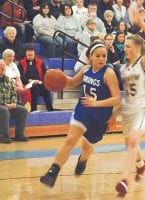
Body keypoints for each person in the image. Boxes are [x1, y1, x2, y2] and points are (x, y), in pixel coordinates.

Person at [40, 42, 121, 187]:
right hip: (84, 110)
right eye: (98, 56)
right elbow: (71, 83)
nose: (101, 59)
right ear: (90, 57)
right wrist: (59, 76)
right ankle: (53, 172)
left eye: (104, 56)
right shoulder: (85, 69)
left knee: (87, 147)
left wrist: (98, 104)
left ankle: (83, 159)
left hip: (100, 117)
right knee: (70, 140)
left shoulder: (109, 74)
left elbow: (117, 99)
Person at [113, 6, 145, 197]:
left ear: (138, 49)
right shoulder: (124, 68)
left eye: (129, 46)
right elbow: (126, 94)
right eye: (125, 46)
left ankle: (124, 180)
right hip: (129, 109)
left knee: (132, 140)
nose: (126, 48)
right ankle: (141, 165)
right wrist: (115, 113)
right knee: (130, 143)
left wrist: (140, 22)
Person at [18, 44, 54, 112]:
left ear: (34, 52)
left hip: (39, 82)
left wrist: (41, 81)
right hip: (27, 83)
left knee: (46, 88)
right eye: (28, 51)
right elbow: (20, 76)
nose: (30, 52)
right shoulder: (21, 63)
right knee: (35, 88)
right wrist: (30, 81)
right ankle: (33, 109)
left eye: (32, 50)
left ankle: (50, 109)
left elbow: (45, 73)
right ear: (25, 53)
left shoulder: (40, 61)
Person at [0, 60, 29, 144]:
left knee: (23, 110)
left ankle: (19, 135)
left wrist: (13, 103)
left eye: (4, 66)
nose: (3, 68)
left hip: (8, 106)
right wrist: (5, 105)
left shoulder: (8, 79)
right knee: (4, 110)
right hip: (2, 106)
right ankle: (3, 136)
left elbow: (13, 94)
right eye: (0, 66)